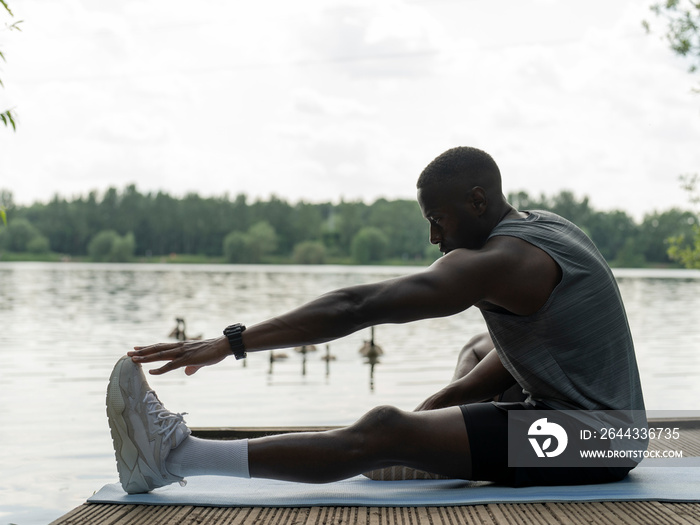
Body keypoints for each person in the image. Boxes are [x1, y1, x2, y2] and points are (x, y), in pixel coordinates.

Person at [107, 146, 646, 494]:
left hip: (595, 442)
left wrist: (233, 342)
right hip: (590, 419)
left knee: (382, 429)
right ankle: (429, 445)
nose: (434, 237)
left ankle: (176, 458)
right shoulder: (544, 225)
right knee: (481, 348)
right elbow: (520, 347)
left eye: (438, 220)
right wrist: (437, 410)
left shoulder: (502, 263)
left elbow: (358, 307)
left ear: (477, 200)